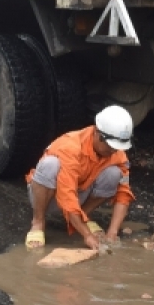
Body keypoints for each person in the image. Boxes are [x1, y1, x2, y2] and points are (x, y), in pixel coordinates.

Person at [25, 106, 135, 251]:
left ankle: (82, 217)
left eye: (117, 148)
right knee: (50, 165)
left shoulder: (117, 154)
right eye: (110, 147)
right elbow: (67, 196)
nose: (113, 151)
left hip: (78, 195)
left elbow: (123, 194)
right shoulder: (71, 146)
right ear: (97, 133)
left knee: (114, 173)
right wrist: (87, 235)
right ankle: (38, 222)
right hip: (49, 196)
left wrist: (112, 233)